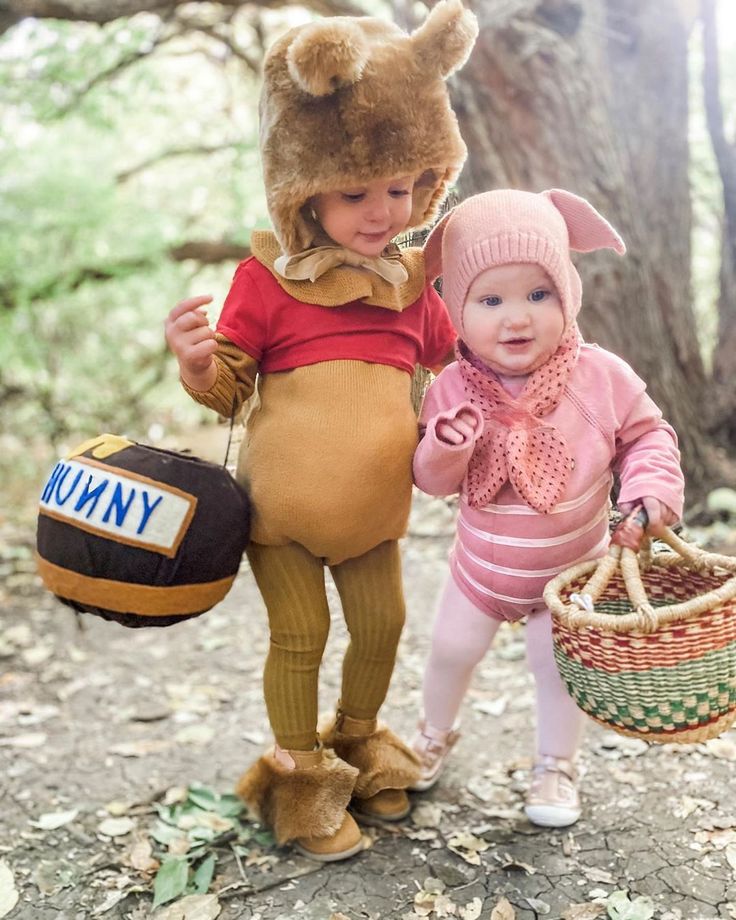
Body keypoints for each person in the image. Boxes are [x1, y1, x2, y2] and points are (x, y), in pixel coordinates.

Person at [164, 1, 478, 861]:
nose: (384, 211)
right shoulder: (268, 281)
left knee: (382, 627)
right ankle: (299, 776)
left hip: (377, 515)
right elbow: (230, 389)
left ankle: (361, 738)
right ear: (304, 188)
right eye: (355, 192)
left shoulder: (414, 282)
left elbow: (459, 370)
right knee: (299, 636)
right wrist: (197, 365)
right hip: (285, 520)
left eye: (403, 187)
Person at [409, 188, 685, 827]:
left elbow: (647, 436)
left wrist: (649, 493)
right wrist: (447, 448)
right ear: (456, 309)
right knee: (450, 649)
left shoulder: (599, 376)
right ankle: (432, 734)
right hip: (478, 573)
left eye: (539, 294)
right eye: (490, 299)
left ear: (569, 293)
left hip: (570, 576)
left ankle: (555, 764)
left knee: (556, 666)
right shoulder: (452, 387)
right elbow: (429, 480)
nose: (517, 318)